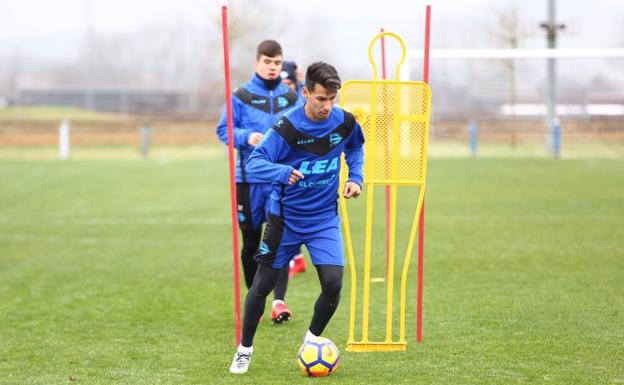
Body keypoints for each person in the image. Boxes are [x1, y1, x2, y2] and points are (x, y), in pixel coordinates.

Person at [229, 61, 365, 374]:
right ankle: (244, 350)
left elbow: (356, 147)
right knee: (262, 285)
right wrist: (282, 171)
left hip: (323, 220)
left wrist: (356, 177)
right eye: (320, 99)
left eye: (332, 98)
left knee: (333, 284)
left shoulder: (344, 121)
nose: (327, 106)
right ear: (305, 93)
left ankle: (311, 342)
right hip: (285, 221)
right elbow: (258, 161)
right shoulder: (286, 127)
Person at [216, 40, 299, 324]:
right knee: (252, 240)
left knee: (282, 242)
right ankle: (256, 299)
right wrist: (245, 136)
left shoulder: (293, 98)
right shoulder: (240, 95)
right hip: (249, 179)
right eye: (267, 62)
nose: (272, 67)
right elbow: (224, 130)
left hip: (282, 178)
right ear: (257, 63)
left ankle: (279, 301)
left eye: (277, 63)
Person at [279, 60, 307, 277]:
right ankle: (295, 258)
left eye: (289, 82)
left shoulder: (303, 100)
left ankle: (295, 257)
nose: (285, 87)